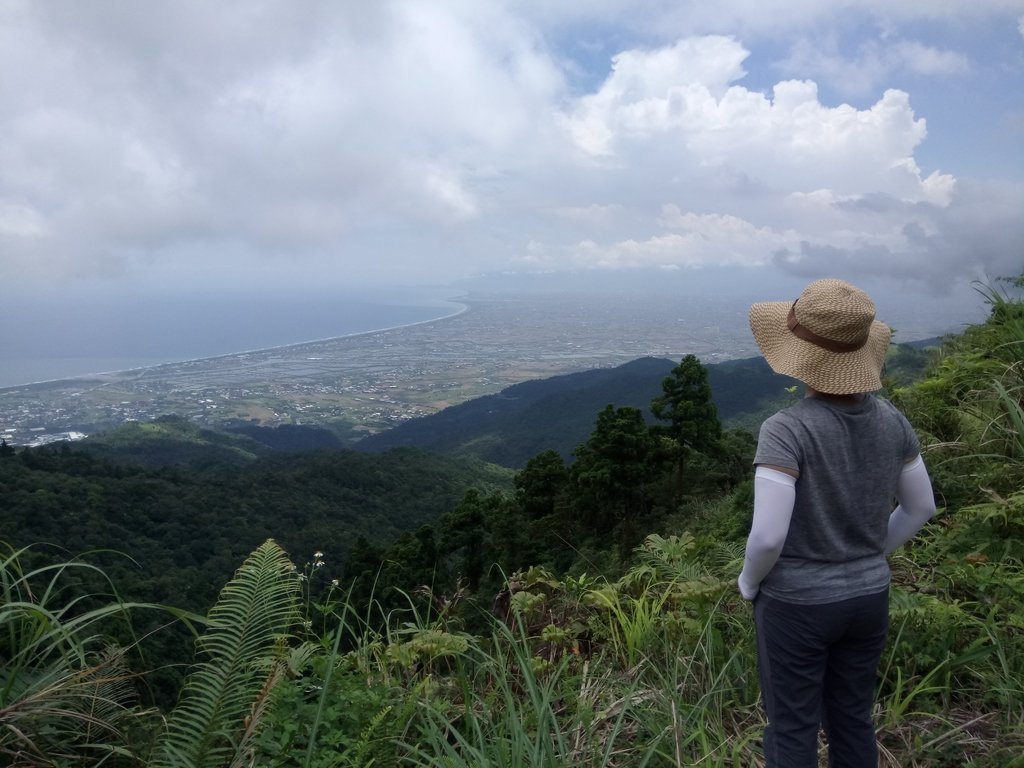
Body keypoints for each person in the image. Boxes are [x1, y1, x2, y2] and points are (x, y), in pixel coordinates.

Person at [737, 278, 936, 767]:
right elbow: (921, 507)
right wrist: (866, 558)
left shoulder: (786, 429)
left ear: (799, 352)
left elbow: (767, 536)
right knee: (852, 718)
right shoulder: (892, 420)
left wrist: (747, 582)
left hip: (797, 604)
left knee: (793, 727)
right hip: (869, 596)